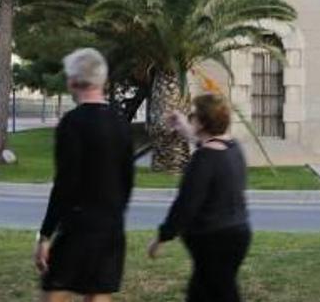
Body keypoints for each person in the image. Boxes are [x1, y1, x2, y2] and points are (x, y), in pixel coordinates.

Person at [34, 48, 134, 302]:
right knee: (99, 292)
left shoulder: (71, 123)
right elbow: (127, 180)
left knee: (54, 292)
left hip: (77, 228)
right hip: (111, 227)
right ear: (102, 80)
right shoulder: (121, 122)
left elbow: (65, 184)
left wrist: (45, 235)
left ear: (73, 82)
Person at [147, 94, 252, 302]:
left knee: (211, 293)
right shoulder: (233, 148)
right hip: (238, 234)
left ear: (202, 122)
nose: (190, 118)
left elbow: (185, 205)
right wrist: (184, 126)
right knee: (217, 291)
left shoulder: (203, 159)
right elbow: (205, 141)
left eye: (193, 115)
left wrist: (161, 238)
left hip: (213, 241)